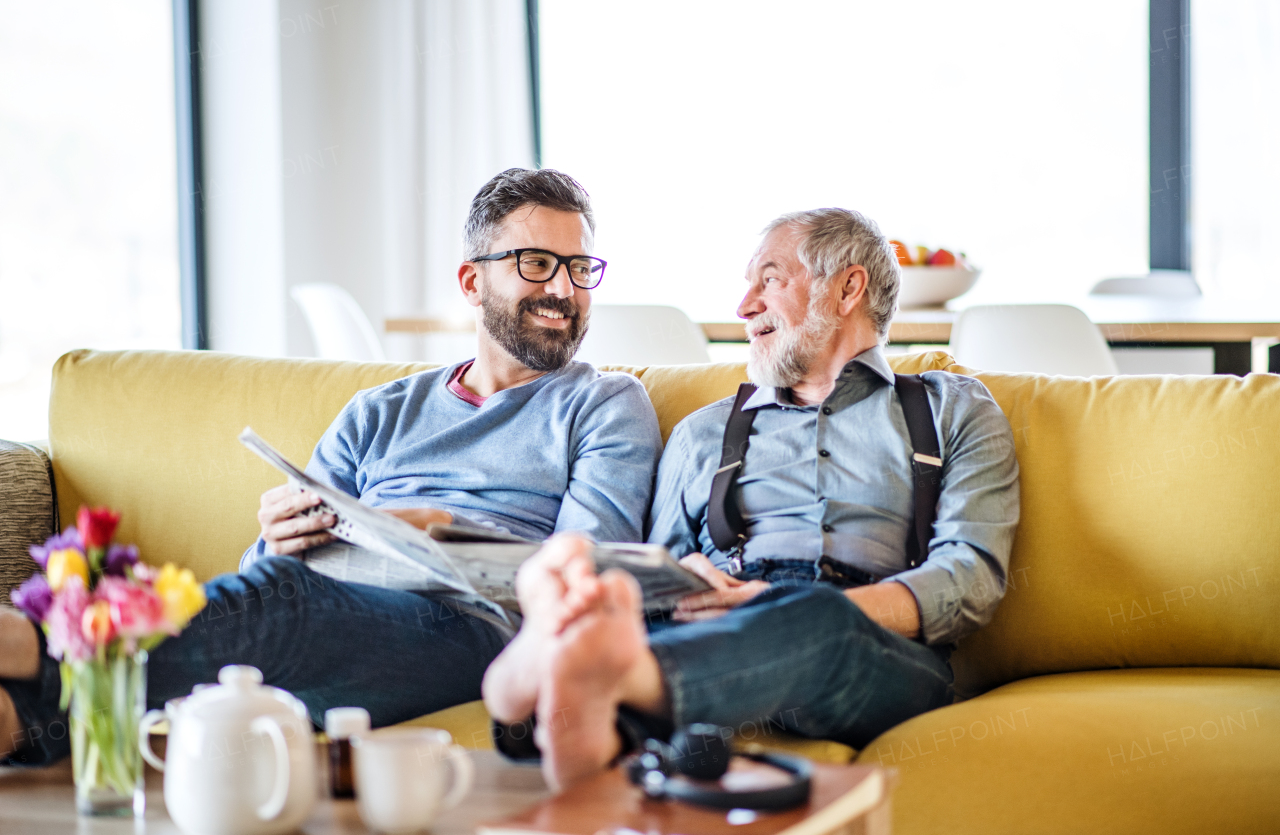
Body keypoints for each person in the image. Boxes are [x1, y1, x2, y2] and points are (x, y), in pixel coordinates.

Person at [0, 168, 662, 766]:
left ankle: (32, 643)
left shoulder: (605, 403)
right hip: (332, 608)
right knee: (285, 585)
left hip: (477, 629)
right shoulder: (379, 410)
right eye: (537, 263)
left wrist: (439, 527)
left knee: (288, 600)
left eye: (580, 268)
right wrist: (278, 534)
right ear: (472, 280)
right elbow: (259, 571)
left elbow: (585, 573)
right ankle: (26, 722)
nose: (564, 289)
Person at [483, 207, 1020, 790]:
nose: (744, 307)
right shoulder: (703, 432)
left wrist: (777, 603)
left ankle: (562, 686)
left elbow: (971, 575)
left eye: (769, 279)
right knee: (634, 619)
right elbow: (653, 574)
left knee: (818, 618)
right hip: (717, 623)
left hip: (873, 644)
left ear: (847, 288)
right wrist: (678, 581)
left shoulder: (952, 409)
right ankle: (586, 718)